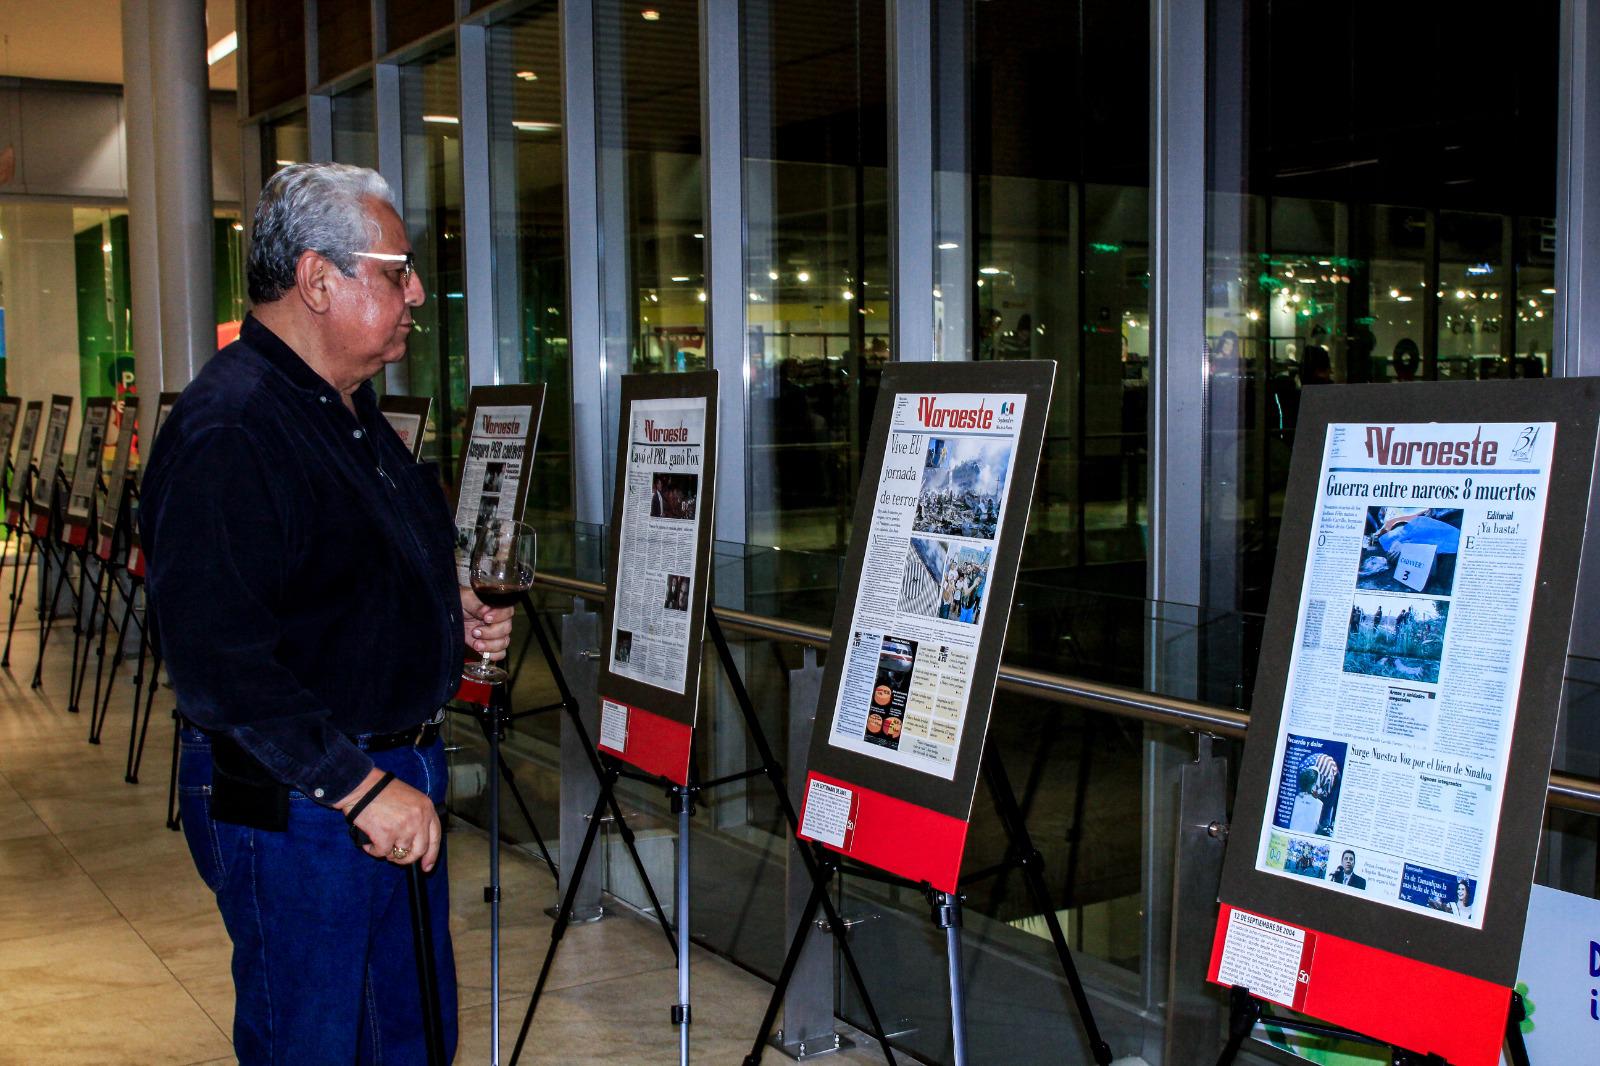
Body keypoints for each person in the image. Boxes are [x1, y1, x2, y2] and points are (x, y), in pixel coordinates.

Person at [141, 163, 514, 1065]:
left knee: (409, 1038)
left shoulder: (344, 410)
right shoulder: (232, 428)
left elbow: (336, 569)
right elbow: (218, 660)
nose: (418, 291)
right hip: (310, 799)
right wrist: (359, 789)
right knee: (316, 1042)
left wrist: (445, 610)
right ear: (318, 280)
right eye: (397, 271)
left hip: (387, 782)